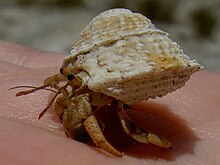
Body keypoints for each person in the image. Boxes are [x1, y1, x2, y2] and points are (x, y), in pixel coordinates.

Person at [0, 40, 220, 164]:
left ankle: (122, 143)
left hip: (106, 81)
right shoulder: (77, 75)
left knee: (85, 108)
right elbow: (63, 77)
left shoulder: (89, 89)